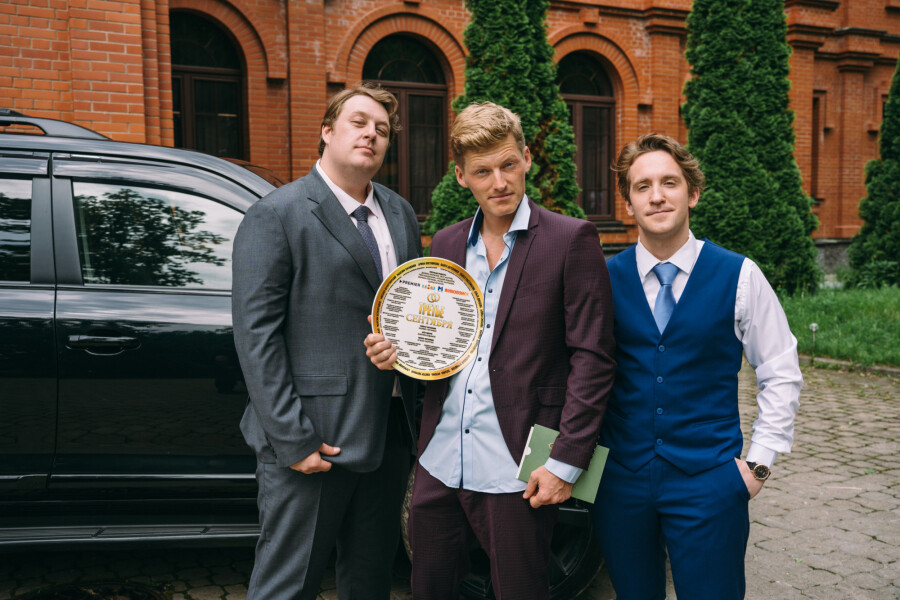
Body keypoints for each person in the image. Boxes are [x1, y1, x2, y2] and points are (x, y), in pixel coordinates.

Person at [366, 102, 616, 600]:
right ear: (462, 177)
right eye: (483, 171)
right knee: (429, 588)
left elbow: (594, 359)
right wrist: (397, 353)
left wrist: (566, 462)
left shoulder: (571, 239)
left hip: (521, 464)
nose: (499, 182)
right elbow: (437, 346)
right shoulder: (445, 243)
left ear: (526, 159)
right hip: (440, 459)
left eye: (508, 165)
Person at [591, 132, 803, 599]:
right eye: (643, 186)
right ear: (628, 203)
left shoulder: (739, 275)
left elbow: (781, 372)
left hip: (710, 482)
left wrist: (758, 466)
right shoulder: (602, 278)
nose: (657, 196)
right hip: (621, 481)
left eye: (669, 182)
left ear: (693, 193)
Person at [231, 83, 421, 600]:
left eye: (382, 130)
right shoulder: (278, 213)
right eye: (359, 122)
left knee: (370, 582)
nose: (371, 134)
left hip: (388, 435)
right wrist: (293, 439)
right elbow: (256, 335)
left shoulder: (400, 213)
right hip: (314, 439)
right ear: (327, 131)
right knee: (288, 586)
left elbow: (408, 312)